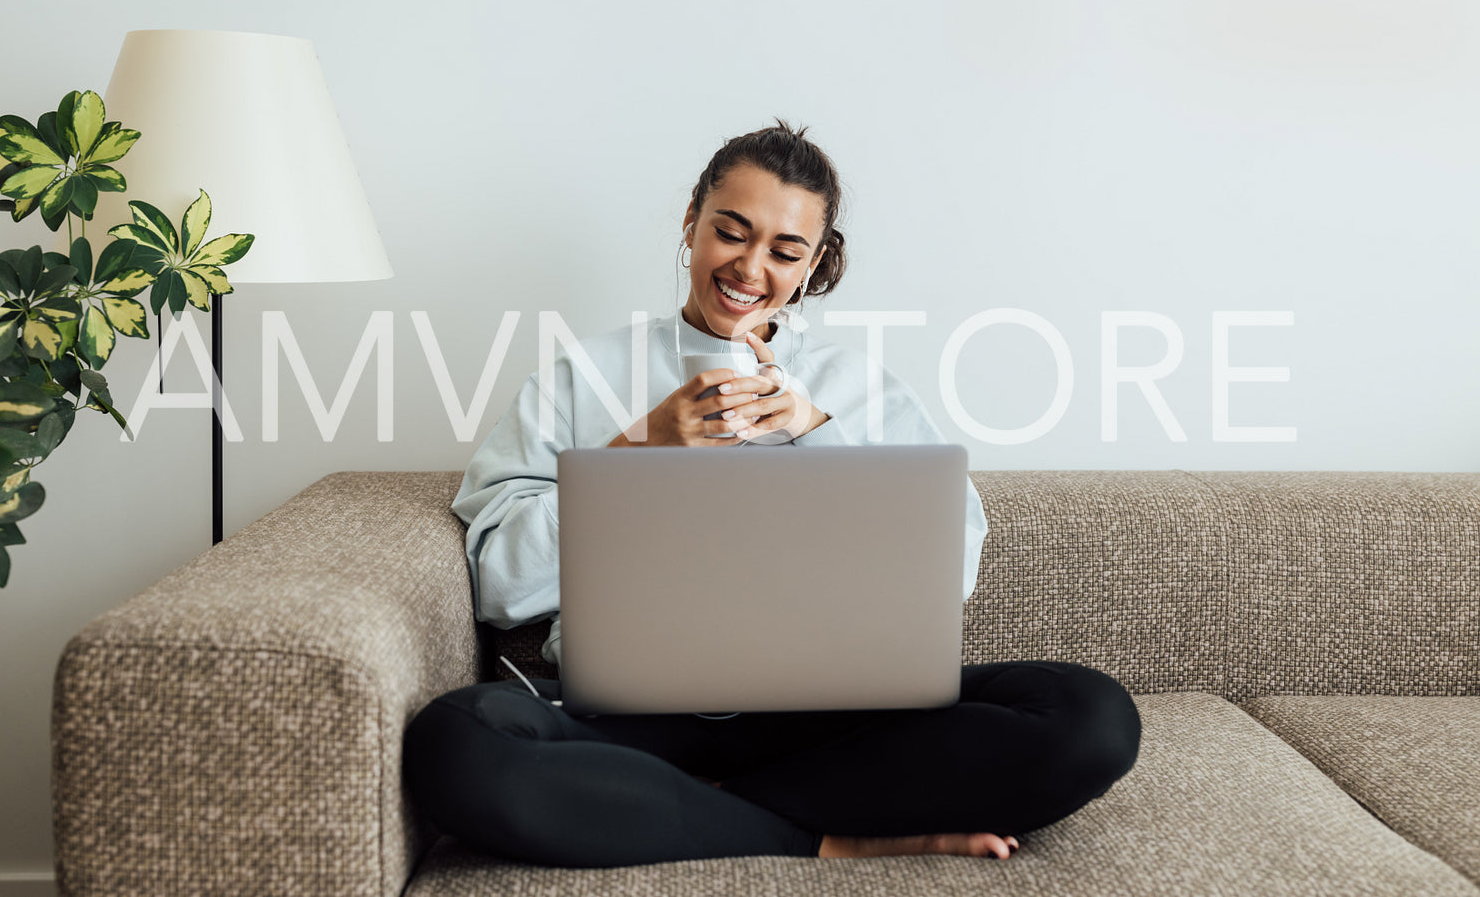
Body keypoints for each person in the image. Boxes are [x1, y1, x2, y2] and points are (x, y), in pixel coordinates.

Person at [402, 119, 1141, 868]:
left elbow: (948, 573)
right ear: (691, 222)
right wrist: (640, 452)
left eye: (785, 251)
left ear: (814, 263)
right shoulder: (579, 378)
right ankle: (812, 834)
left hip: (829, 721)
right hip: (633, 715)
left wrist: (815, 431)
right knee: (455, 740)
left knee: (1089, 716)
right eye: (731, 232)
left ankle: (662, 803)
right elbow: (498, 586)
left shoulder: (861, 392)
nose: (751, 268)